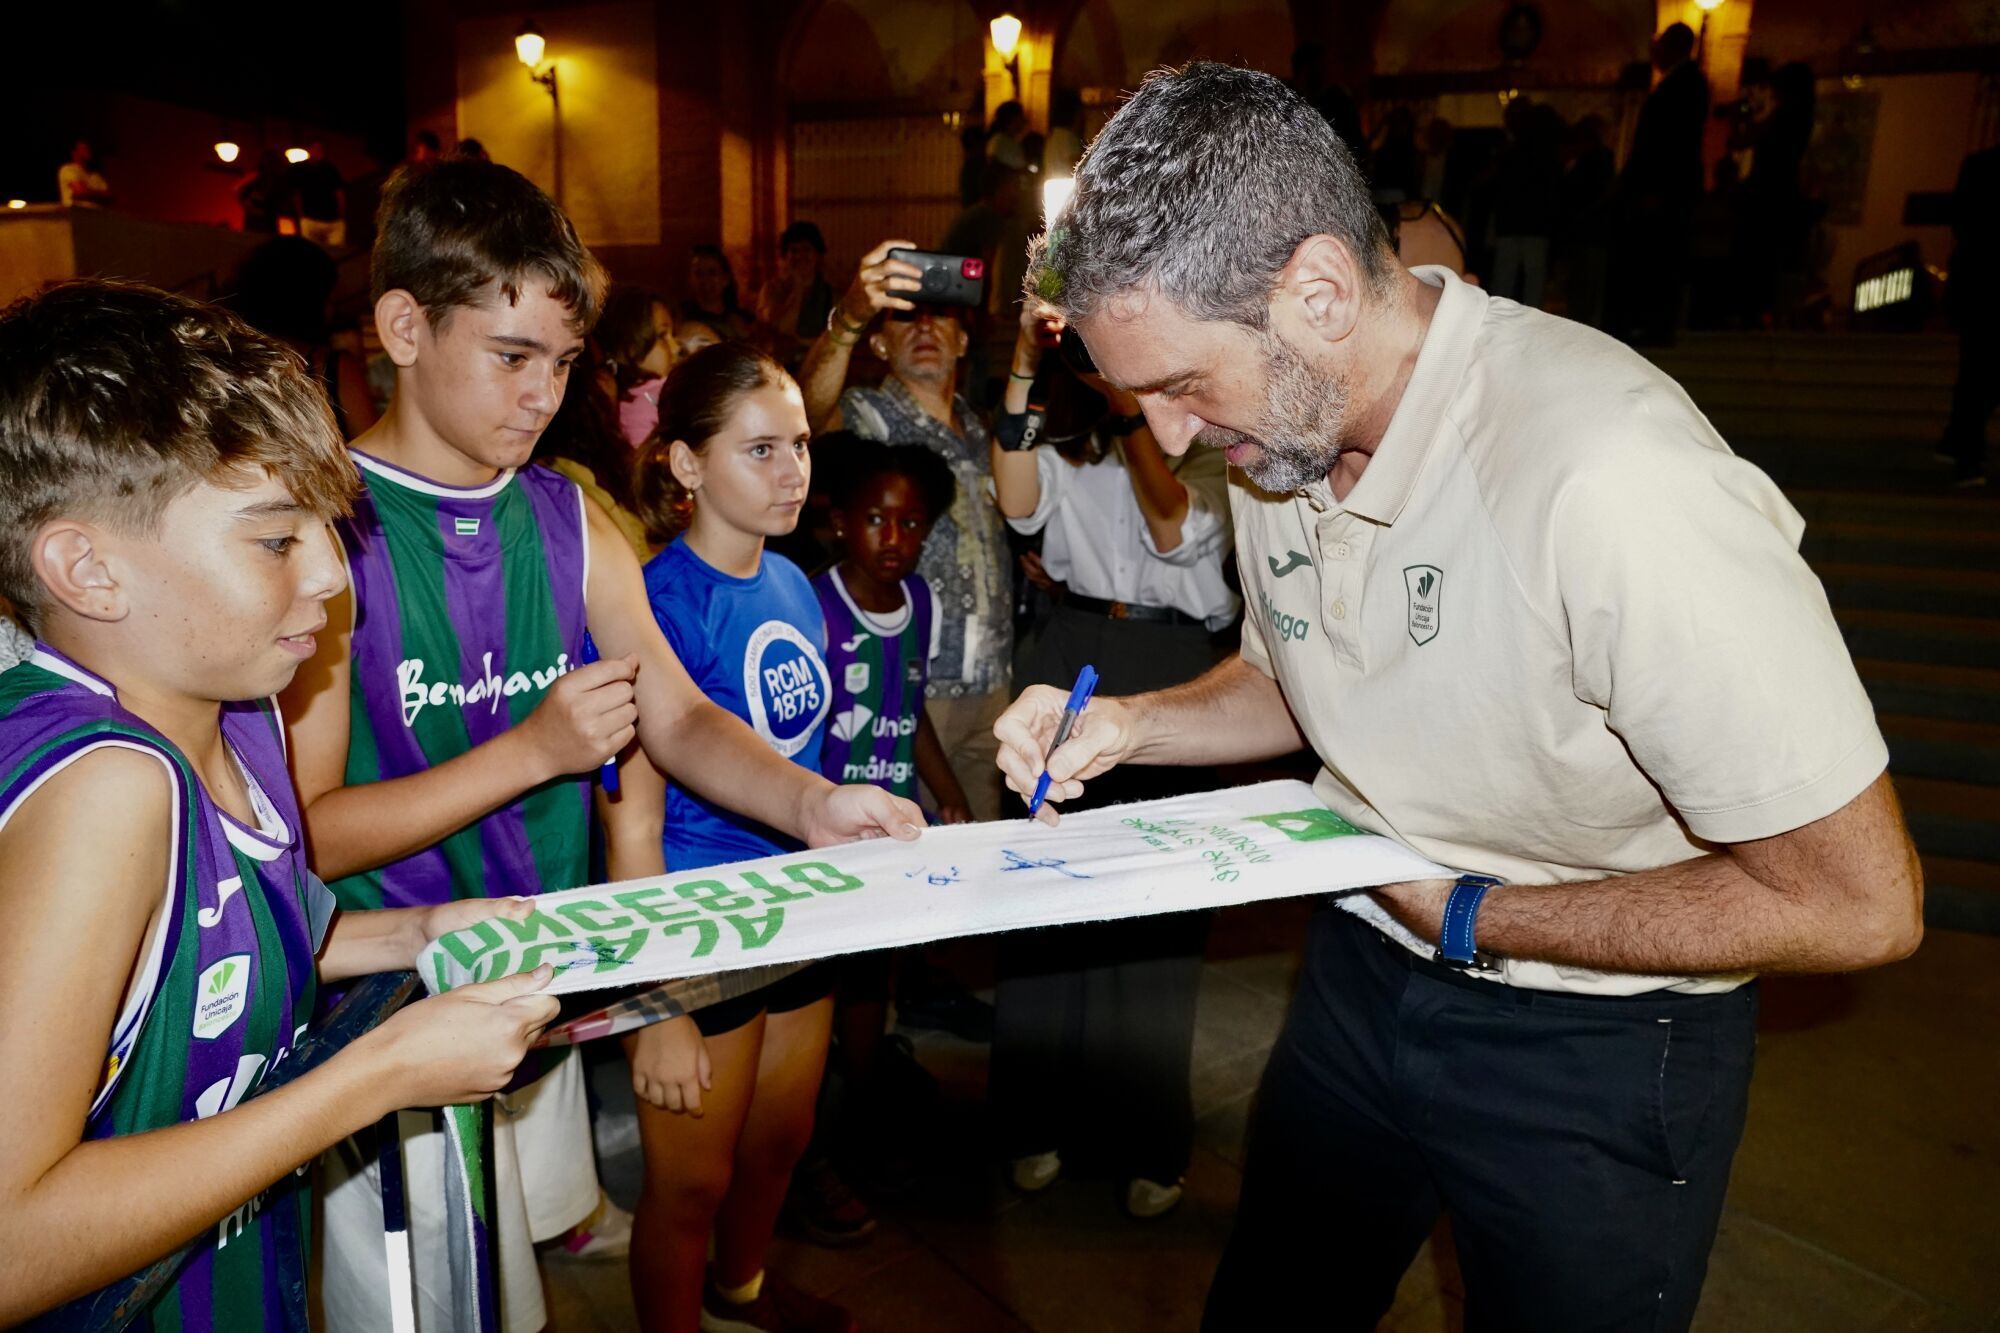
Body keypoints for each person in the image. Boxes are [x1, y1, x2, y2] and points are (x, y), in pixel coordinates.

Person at [1001, 63, 1923, 1332]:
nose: (1164, 439)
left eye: (1180, 385)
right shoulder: (1282, 431)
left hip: (1595, 1047)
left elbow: (1860, 901)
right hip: (1361, 974)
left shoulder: (1610, 480)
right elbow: (1295, 675)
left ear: (1316, 291)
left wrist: (1476, 914)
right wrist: (1134, 724)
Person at [280, 159, 921, 1333]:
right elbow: (306, 833)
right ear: (402, 327)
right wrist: (531, 751)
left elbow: (676, 715)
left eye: (563, 363)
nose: (541, 395)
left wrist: (810, 804)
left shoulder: (567, 516)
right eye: (512, 357)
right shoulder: (329, 539)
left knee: (516, 1288)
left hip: (540, 973)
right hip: (392, 1002)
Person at [0, 279, 556, 1329]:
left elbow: (206, 954)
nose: (333, 578)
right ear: (86, 568)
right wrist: (378, 1072)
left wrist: (414, 930)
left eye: (329, 527)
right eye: (274, 539)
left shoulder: (238, 707)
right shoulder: (104, 791)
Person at [987, 299, 1240, 1219]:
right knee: (1045, 900)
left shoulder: (1218, 449)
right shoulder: (1072, 446)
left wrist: (1130, 406)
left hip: (1175, 669)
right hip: (1071, 655)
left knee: (1155, 914)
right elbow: (1017, 503)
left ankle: (1146, 1138)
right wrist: (1024, 364)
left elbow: (1173, 526)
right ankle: (1034, 1121)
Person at [626, 341, 853, 1333]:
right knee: (688, 1185)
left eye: (799, 445)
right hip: (697, 924)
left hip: (798, 908)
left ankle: (740, 1295)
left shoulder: (798, 583)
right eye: (760, 449)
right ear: (684, 464)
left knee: (777, 1142)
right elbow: (623, 813)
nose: (792, 470)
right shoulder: (651, 603)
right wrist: (653, 1000)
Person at [799, 240, 1014, 821]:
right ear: (879, 341)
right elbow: (807, 417)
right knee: (911, 859)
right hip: (914, 688)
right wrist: (846, 321)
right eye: (904, 315)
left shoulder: (979, 425)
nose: (924, 326)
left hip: (991, 680)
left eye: (940, 313)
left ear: (964, 340)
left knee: (983, 861)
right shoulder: (870, 416)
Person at [1609, 23, 1709, 343]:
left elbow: (1670, 144)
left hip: (1664, 191)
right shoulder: (1681, 83)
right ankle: (1648, 322)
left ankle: (1652, 325)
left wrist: (1653, 190)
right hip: (1663, 189)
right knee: (1654, 258)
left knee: (1657, 258)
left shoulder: (1686, 85)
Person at [230, 235, 379, 437]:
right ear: (311, 302)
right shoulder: (331, 369)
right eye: (330, 300)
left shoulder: (230, 361)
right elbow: (370, 452)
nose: (332, 310)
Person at [1941, 142, 2000, 488]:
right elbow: (1965, 224)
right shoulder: (1982, 166)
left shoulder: (1979, 165)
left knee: (1976, 376)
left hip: (1978, 289)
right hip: (1983, 291)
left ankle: (1959, 443)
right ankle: (1964, 451)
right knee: (1979, 377)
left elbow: (1962, 223)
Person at [597, 282, 677, 447]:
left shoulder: (667, 387)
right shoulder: (640, 406)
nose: (676, 347)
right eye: (663, 336)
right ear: (630, 346)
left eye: (672, 335)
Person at [755, 221, 838, 370]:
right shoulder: (771, 290)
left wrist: (800, 341)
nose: (800, 256)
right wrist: (798, 287)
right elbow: (782, 328)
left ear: (817, 255)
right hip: (779, 369)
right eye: (794, 250)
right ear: (785, 256)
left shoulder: (830, 292)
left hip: (817, 366)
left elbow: (835, 339)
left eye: (806, 250)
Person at [682, 244, 760, 344]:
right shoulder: (682, 315)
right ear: (691, 279)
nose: (706, 280)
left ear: (726, 279)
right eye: (699, 274)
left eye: (712, 273)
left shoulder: (744, 319)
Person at [289, 141, 347, 249]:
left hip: (332, 220)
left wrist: (340, 214)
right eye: (316, 149)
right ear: (309, 150)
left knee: (335, 251)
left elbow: (339, 192)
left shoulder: (330, 168)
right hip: (310, 219)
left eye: (320, 150)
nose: (319, 152)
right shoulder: (300, 169)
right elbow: (296, 193)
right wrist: (302, 216)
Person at [237, 148, 291, 235]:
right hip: (266, 221)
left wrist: (246, 204)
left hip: (258, 221)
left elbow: (237, 189)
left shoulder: (256, 177)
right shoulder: (277, 180)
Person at [58, 139, 112, 208]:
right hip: (77, 211)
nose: (88, 151)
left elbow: (108, 195)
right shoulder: (68, 169)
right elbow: (80, 192)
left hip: (97, 212)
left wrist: (87, 191)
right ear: (74, 152)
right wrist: (98, 194)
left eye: (89, 149)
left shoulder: (95, 175)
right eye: (84, 149)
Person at [985, 100, 1028, 171]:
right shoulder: (999, 141)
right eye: (1021, 117)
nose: (1024, 120)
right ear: (1013, 119)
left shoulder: (1012, 141)